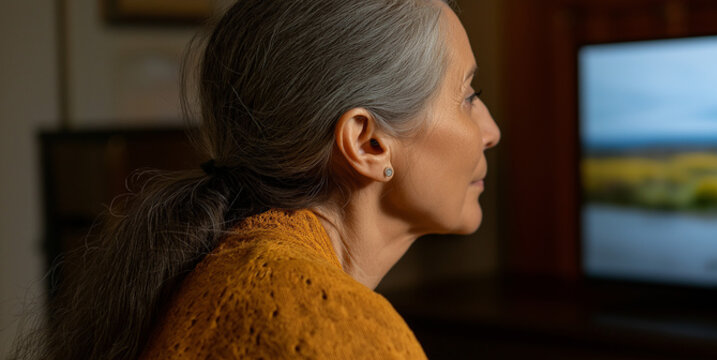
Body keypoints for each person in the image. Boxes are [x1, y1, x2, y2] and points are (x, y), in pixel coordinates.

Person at [15, 0, 498, 358]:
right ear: (367, 143)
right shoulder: (334, 337)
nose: (491, 132)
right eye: (468, 96)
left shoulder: (218, 273)